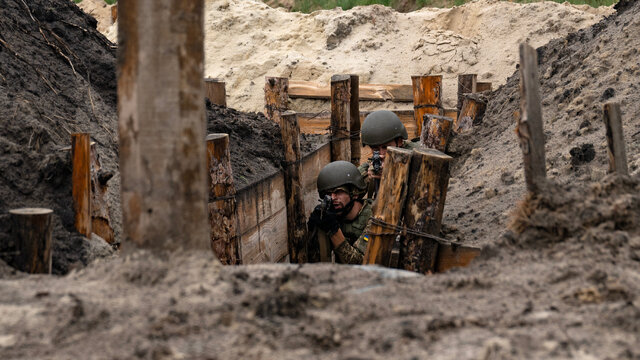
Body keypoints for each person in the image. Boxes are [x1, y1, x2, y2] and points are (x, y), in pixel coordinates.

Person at [307, 161, 372, 264]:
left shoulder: (373, 218)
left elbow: (359, 264)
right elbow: (314, 263)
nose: (333, 198)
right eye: (328, 193)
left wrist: (334, 231)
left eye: (338, 192)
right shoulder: (331, 216)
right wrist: (313, 232)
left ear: (354, 193)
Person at [358, 110, 419, 196]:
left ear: (400, 141)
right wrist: (371, 175)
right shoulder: (375, 163)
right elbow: (352, 183)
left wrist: (392, 174)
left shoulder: (417, 156)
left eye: (386, 147)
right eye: (375, 149)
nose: (382, 154)